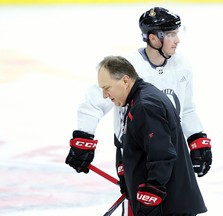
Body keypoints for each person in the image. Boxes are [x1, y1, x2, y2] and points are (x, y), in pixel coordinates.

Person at [65, 6, 212, 215]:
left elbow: (187, 108)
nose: (177, 40)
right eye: (170, 34)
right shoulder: (128, 67)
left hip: (169, 151)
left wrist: (197, 140)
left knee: (177, 207)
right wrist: (84, 138)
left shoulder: (183, 65)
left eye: (177, 33)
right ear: (153, 38)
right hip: (135, 154)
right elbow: (95, 100)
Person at [98, 55, 208, 216]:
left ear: (125, 81)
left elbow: (162, 155)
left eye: (107, 88)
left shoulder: (145, 106)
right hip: (165, 206)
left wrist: (151, 195)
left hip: (166, 208)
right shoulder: (141, 98)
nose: (104, 95)